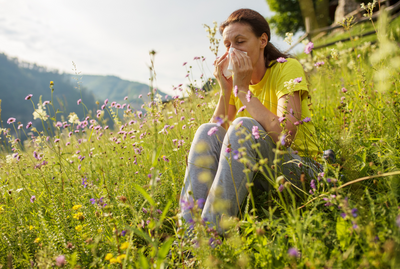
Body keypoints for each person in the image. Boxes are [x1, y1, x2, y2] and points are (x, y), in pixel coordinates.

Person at [180, 9, 323, 234]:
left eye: (240, 41)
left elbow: (285, 138)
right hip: (261, 175)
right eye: (227, 45)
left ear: (262, 40)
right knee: (206, 129)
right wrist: (226, 90)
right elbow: (213, 140)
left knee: (243, 126)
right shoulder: (237, 82)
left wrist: (243, 89)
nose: (232, 50)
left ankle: (208, 238)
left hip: (301, 171)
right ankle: (188, 237)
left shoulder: (287, 68)